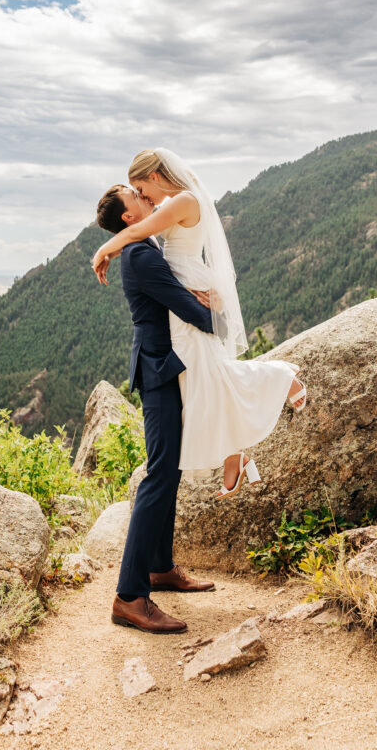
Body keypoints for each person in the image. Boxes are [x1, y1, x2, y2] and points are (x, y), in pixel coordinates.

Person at [93, 149, 306, 498]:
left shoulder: (183, 201)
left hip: (186, 283)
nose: (144, 196)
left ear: (156, 177)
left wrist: (104, 250)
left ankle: (280, 379)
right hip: (183, 284)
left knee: (202, 369)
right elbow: (139, 229)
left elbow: (138, 230)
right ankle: (233, 450)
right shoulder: (170, 204)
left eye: (141, 188)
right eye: (137, 193)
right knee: (200, 371)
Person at [95, 184, 217, 634]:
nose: (146, 199)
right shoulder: (142, 256)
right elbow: (190, 311)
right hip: (160, 371)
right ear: (129, 218)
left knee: (171, 469)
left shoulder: (142, 245)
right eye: (137, 198)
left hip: (165, 367)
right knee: (159, 474)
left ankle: (160, 567)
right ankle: (129, 596)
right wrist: (220, 308)